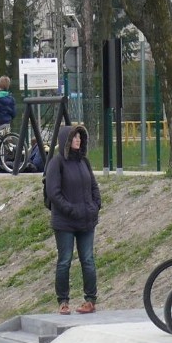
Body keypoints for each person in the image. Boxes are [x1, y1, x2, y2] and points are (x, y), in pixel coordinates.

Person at [45, 125, 101, 315]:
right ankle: (63, 301)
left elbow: (93, 186)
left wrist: (95, 206)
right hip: (65, 222)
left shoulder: (84, 162)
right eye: (74, 137)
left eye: (79, 137)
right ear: (66, 141)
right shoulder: (57, 162)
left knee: (88, 259)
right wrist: (71, 209)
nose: (78, 140)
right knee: (65, 260)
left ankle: (90, 300)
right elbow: (54, 192)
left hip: (86, 220)